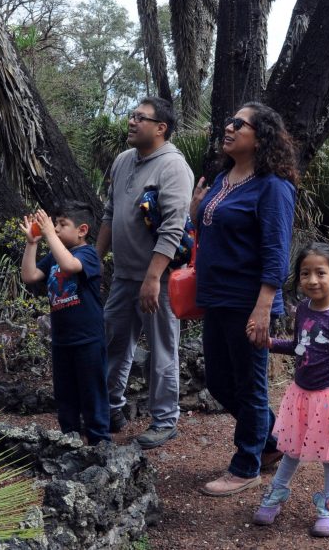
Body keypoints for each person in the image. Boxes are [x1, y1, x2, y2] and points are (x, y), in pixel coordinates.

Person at [190, 102, 297, 495]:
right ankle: (270, 442)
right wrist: (195, 211)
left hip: (248, 301)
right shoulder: (222, 178)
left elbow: (276, 250)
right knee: (219, 383)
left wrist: (265, 305)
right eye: (229, 121)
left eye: (240, 123)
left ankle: (246, 464)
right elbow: (210, 234)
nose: (229, 127)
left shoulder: (273, 186)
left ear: (261, 136)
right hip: (216, 298)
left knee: (249, 385)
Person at [96, 96, 194, 449]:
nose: (132, 122)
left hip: (160, 279)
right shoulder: (124, 160)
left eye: (141, 117)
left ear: (160, 128)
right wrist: (95, 261)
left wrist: (154, 278)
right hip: (124, 276)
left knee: (162, 349)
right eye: (131, 116)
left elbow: (173, 228)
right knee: (113, 343)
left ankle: (165, 420)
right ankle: (111, 408)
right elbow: (109, 213)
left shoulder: (173, 167)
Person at [250, 242, 329, 537]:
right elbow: (301, 346)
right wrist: (271, 344)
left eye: (320, 273)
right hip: (300, 396)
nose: (312, 280)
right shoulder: (303, 309)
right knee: (290, 449)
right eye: (305, 273)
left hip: (328, 399)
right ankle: (276, 495)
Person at [20, 202, 111, 445]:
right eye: (55, 224)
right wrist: (32, 243)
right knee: (65, 394)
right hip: (62, 340)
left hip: (88, 339)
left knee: (92, 391)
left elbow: (70, 266)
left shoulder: (88, 254)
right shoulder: (53, 256)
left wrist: (49, 233)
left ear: (82, 230)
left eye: (62, 225)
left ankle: (100, 441)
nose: (57, 229)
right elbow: (29, 276)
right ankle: (69, 438)